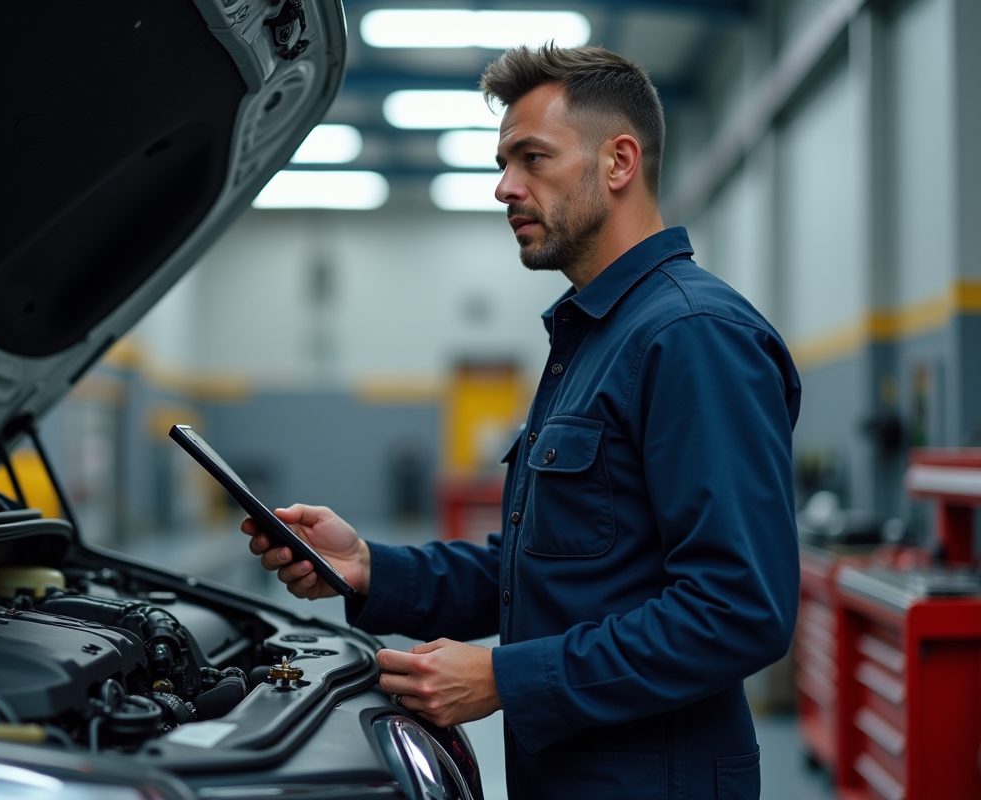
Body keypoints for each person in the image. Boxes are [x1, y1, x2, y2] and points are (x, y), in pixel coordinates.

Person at [242, 44, 801, 800]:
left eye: (532, 158)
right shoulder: (596, 338)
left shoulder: (691, 336)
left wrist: (506, 678)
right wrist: (370, 565)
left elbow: (738, 611)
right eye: (503, 163)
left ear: (619, 161)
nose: (505, 187)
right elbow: (541, 572)